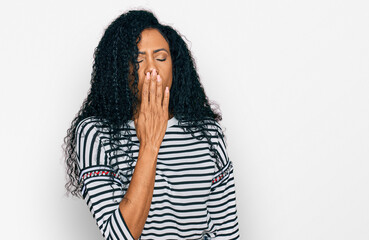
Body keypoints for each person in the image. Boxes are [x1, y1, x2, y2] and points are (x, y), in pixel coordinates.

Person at [63, 9, 240, 240]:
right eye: (137, 59)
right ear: (118, 70)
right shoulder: (95, 134)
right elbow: (120, 237)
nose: (151, 69)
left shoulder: (208, 133)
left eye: (161, 58)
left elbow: (226, 232)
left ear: (175, 66)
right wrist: (150, 144)